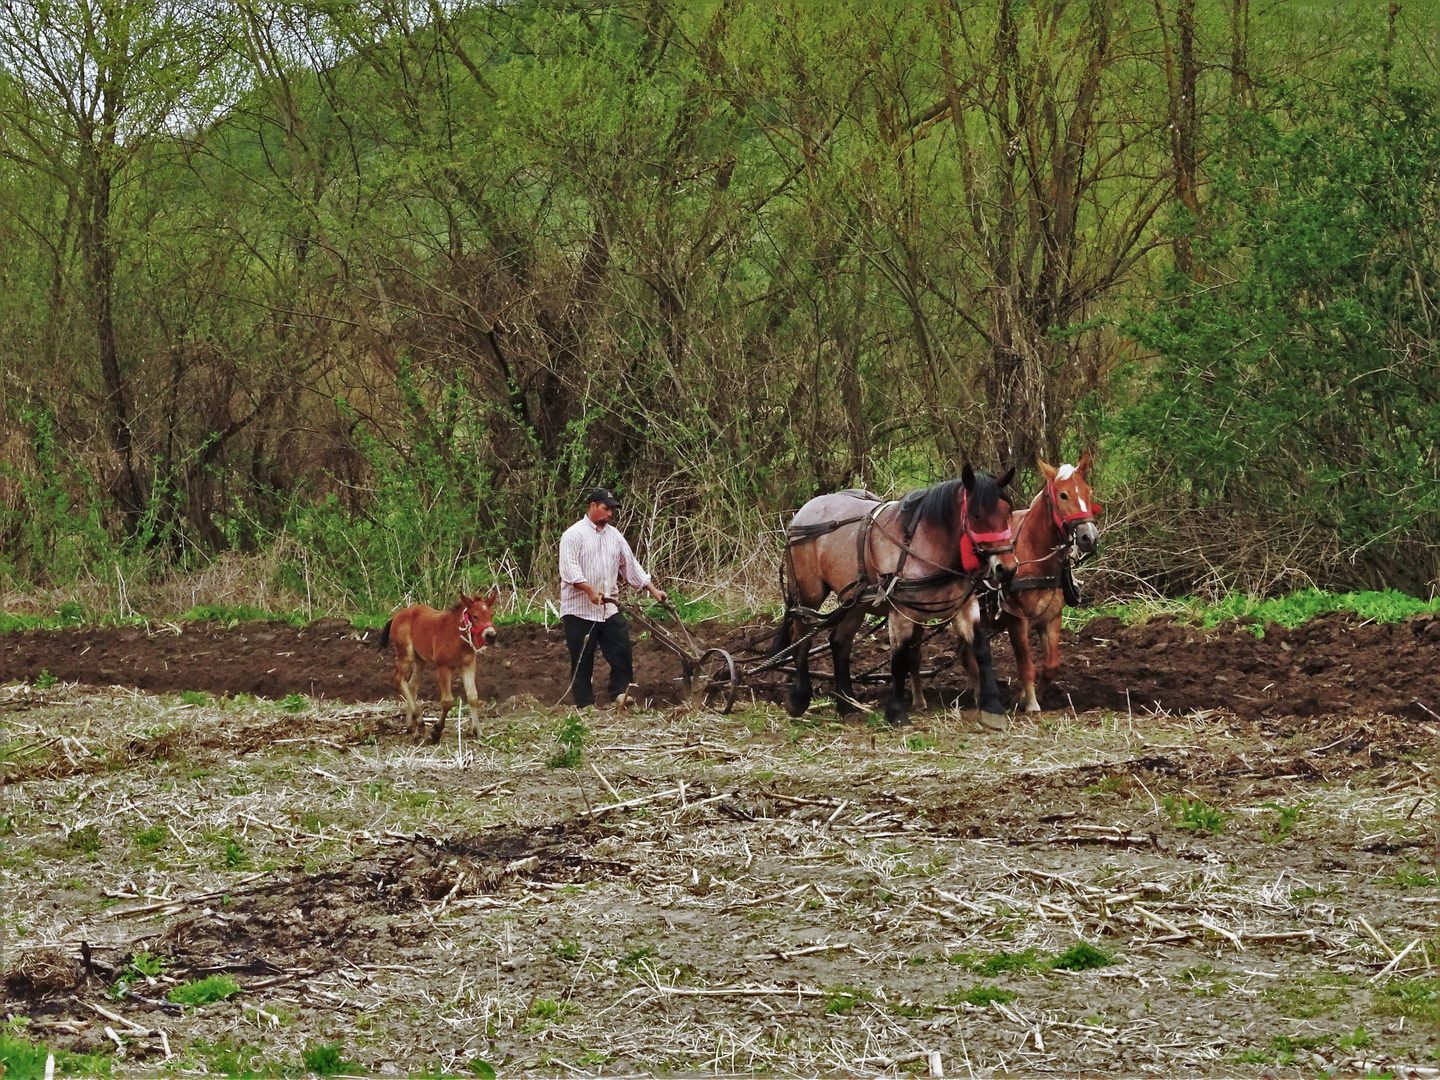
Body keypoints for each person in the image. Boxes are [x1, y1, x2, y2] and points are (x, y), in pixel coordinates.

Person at [558, 488, 667, 708]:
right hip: (579, 610)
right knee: (582, 659)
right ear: (592, 507)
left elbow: (630, 565)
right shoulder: (573, 535)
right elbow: (569, 569)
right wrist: (589, 590)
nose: (610, 514)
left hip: (608, 607)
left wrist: (653, 589)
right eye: (606, 508)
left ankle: (620, 693)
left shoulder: (614, 536)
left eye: (612, 510)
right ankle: (584, 704)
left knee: (621, 649)